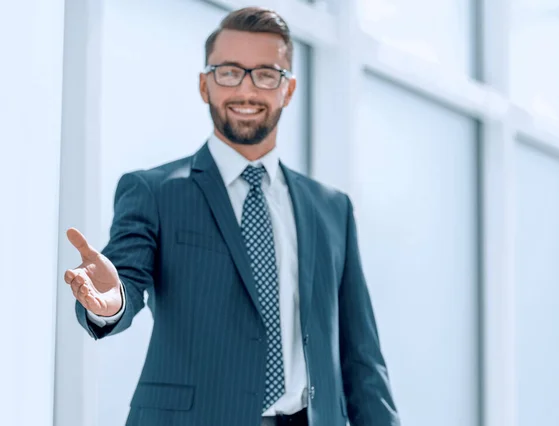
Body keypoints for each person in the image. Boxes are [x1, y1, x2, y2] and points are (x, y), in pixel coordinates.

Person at [64, 7, 400, 426]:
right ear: (204, 85)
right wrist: (110, 302)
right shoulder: (154, 191)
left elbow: (361, 357)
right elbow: (124, 281)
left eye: (265, 74)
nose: (247, 89)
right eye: (229, 72)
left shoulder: (331, 209)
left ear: (288, 89)